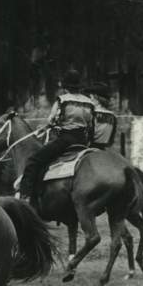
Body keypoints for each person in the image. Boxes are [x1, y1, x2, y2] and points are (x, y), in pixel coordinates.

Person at [18, 69, 95, 207]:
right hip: (82, 141)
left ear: (66, 86)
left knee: (33, 161)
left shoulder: (62, 100)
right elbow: (90, 124)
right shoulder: (89, 102)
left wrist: (46, 127)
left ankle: (25, 197)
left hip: (66, 140)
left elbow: (53, 120)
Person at [87, 81, 118, 149]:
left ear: (95, 98)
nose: (90, 100)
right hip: (105, 147)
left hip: (92, 147)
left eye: (91, 97)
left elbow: (89, 135)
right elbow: (111, 140)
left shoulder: (92, 114)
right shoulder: (113, 116)